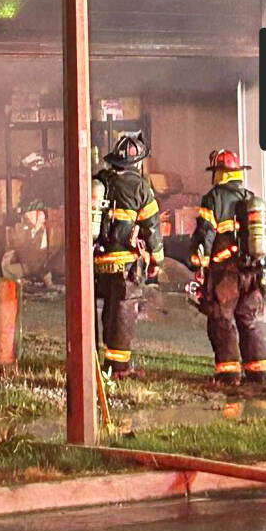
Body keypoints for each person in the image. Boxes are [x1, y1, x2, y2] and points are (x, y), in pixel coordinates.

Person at [188, 147, 266, 385]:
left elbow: (205, 235)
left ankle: (229, 373)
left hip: (226, 274)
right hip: (252, 271)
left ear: (219, 173)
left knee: (221, 320)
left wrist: (199, 264)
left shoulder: (213, 198)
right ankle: (258, 370)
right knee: (248, 319)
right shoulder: (250, 198)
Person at [91, 131, 163, 376]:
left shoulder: (102, 181)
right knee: (123, 311)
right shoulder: (140, 187)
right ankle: (118, 367)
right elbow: (152, 228)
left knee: (110, 311)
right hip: (126, 264)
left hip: (100, 261)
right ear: (137, 162)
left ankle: (107, 361)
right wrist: (157, 260)